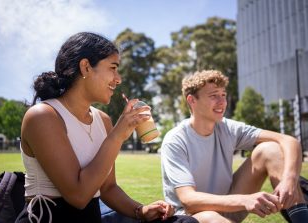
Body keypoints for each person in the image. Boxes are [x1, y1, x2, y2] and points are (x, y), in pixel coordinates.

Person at [16, 32, 197, 223]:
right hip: (50, 218)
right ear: (85, 67)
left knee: (186, 222)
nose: (118, 79)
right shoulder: (43, 116)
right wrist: (117, 136)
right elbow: (78, 196)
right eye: (113, 68)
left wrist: (141, 210)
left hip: (91, 218)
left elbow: (108, 188)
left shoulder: (102, 119)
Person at [160, 70, 308, 223]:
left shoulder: (227, 128)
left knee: (270, 149)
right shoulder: (175, 140)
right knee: (211, 217)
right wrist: (245, 200)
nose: (222, 102)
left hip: (228, 206)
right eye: (213, 96)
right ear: (192, 100)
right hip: (192, 216)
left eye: (223, 95)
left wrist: (289, 179)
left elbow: (288, 140)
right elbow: (189, 200)